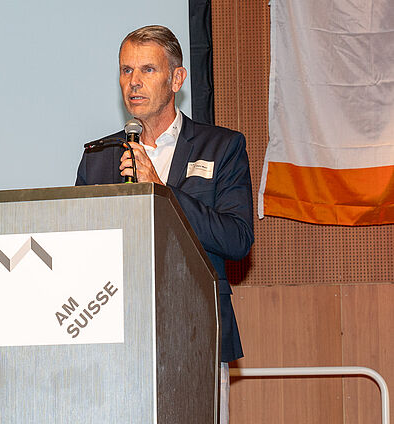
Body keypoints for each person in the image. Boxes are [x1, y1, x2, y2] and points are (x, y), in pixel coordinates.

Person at [75, 25, 254, 422]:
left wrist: (161, 190)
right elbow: (80, 250)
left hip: (197, 334)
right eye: (125, 71)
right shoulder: (98, 158)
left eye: (147, 70)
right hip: (114, 336)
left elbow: (237, 238)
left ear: (177, 78)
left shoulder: (221, 147)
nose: (133, 83)